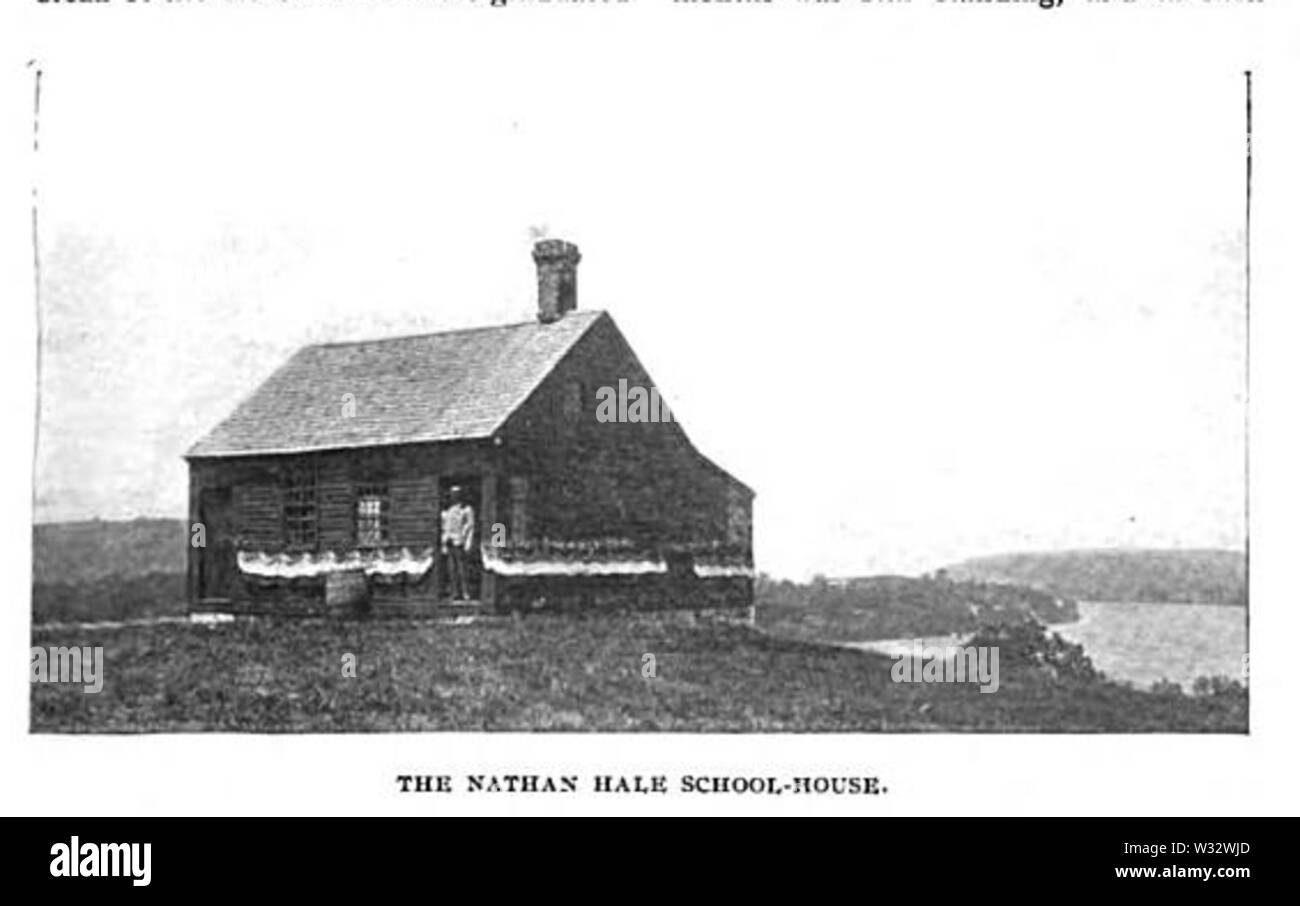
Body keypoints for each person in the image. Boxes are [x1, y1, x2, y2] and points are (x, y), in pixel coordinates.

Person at [440, 486, 476, 601]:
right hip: (450, 542)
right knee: (451, 569)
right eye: (452, 494)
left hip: (460, 542)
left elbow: (470, 526)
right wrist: (444, 542)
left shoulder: (466, 510)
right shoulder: (447, 511)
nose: (454, 497)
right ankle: (454, 592)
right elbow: (444, 527)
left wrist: (468, 542)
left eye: (457, 494)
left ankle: (466, 592)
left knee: (462, 569)